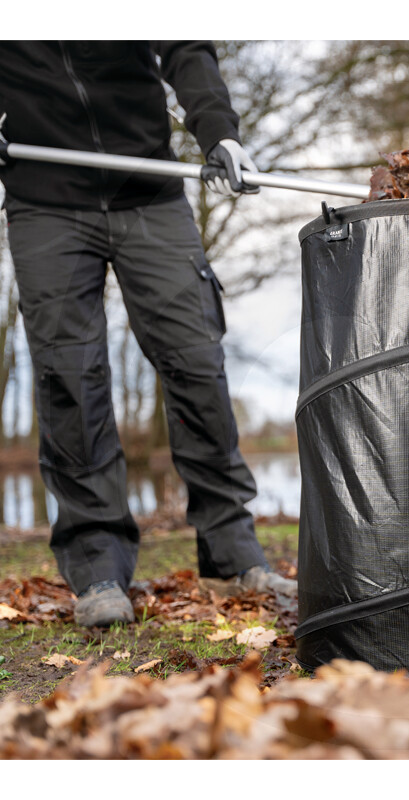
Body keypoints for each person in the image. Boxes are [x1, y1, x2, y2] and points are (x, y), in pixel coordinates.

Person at [0, 41, 296, 627]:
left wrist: (219, 131)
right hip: (44, 199)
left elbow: (184, 44)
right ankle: (98, 569)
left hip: (148, 189)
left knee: (196, 361)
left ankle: (233, 555)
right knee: (69, 376)